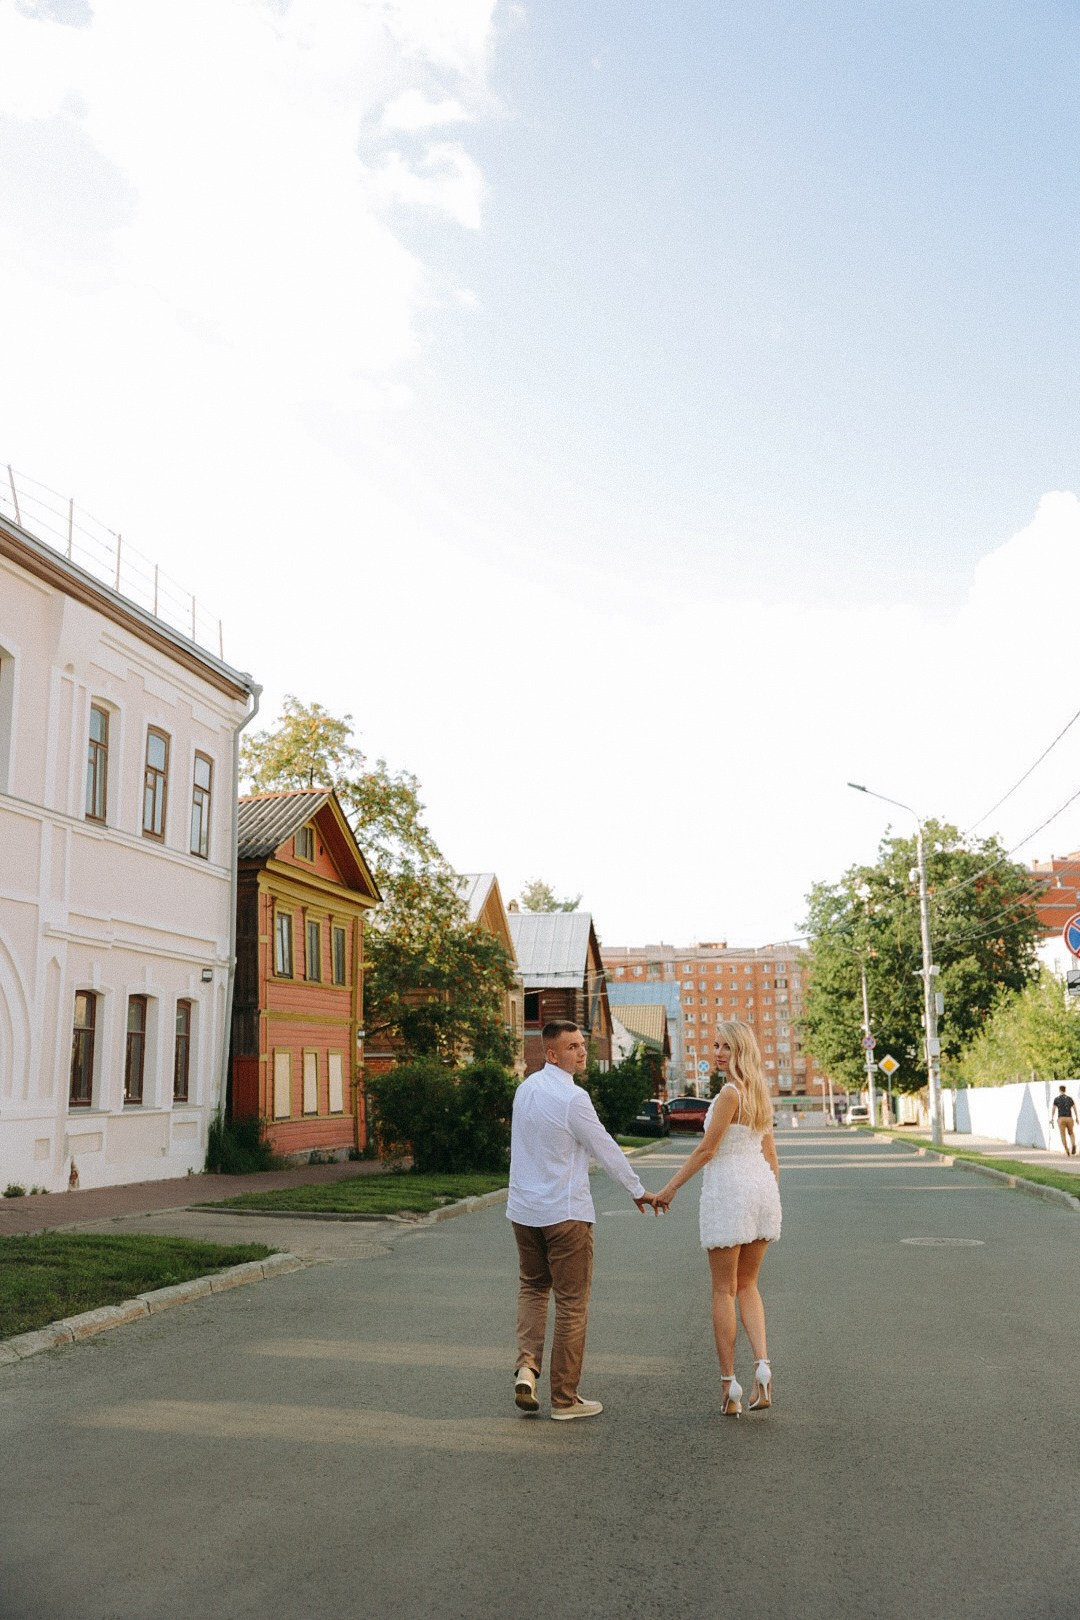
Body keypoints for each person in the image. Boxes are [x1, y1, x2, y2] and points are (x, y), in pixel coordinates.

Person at [507, 1019, 656, 1421]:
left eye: (582, 1044)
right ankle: (564, 1399)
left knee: (534, 1289)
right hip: (565, 1214)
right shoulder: (573, 1099)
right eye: (572, 1046)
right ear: (552, 1054)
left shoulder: (524, 1091)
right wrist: (637, 1189)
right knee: (572, 1305)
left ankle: (526, 1367)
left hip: (524, 1212)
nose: (582, 1051)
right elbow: (604, 1146)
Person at [653, 1020, 781, 1417]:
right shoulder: (760, 1091)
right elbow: (771, 1154)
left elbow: (707, 1151)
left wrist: (670, 1187)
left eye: (727, 1046)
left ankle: (730, 1385)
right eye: (716, 1045)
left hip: (730, 1191)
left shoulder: (729, 1093)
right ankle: (763, 1369)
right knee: (749, 1286)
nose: (719, 1052)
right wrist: (769, 1194)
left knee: (724, 1289)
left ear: (742, 1050)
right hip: (760, 1188)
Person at [1051, 1085, 1078, 1156]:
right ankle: (1073, 1144)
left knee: (1063, 1135)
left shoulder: (1056, 1099)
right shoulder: (1070, 1099)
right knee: (1071, 1133)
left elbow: (1053, 1109)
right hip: (1069, 1118)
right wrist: (1077, 1117)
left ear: (1060, 1090)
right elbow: (1074, 1108)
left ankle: (1067, 1150)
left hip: (1061, 1119)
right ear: (1065, 1090)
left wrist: (1052, 1118)